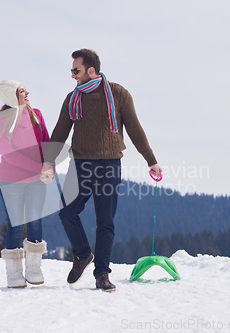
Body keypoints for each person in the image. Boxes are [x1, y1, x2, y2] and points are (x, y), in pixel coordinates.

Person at [40, 49, 162, 292]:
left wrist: (151, 160)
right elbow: (60, 132)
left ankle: (102, 274)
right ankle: (83, 254)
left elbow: (135, 130)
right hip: (80, 165)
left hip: (109, 164)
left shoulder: (118, 94)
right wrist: (47, 162)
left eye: (76, 70)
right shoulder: (72, 99)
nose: (73, 75)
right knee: (66, 213)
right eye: (71, 70)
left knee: (105, 221)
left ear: (91, 70)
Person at [0, 80, 50, 288]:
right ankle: (14, 273)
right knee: (16, 225)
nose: (27, 93)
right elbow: (6, 152)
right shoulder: (0, 120)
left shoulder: (35, 114)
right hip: (11, 181)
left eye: (25, 89)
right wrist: (38, 168)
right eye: (22, 91)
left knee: (35, 222)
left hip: (37, 180)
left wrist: (48, 166)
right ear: (11, 96)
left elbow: (46, 143)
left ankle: (34, 269)